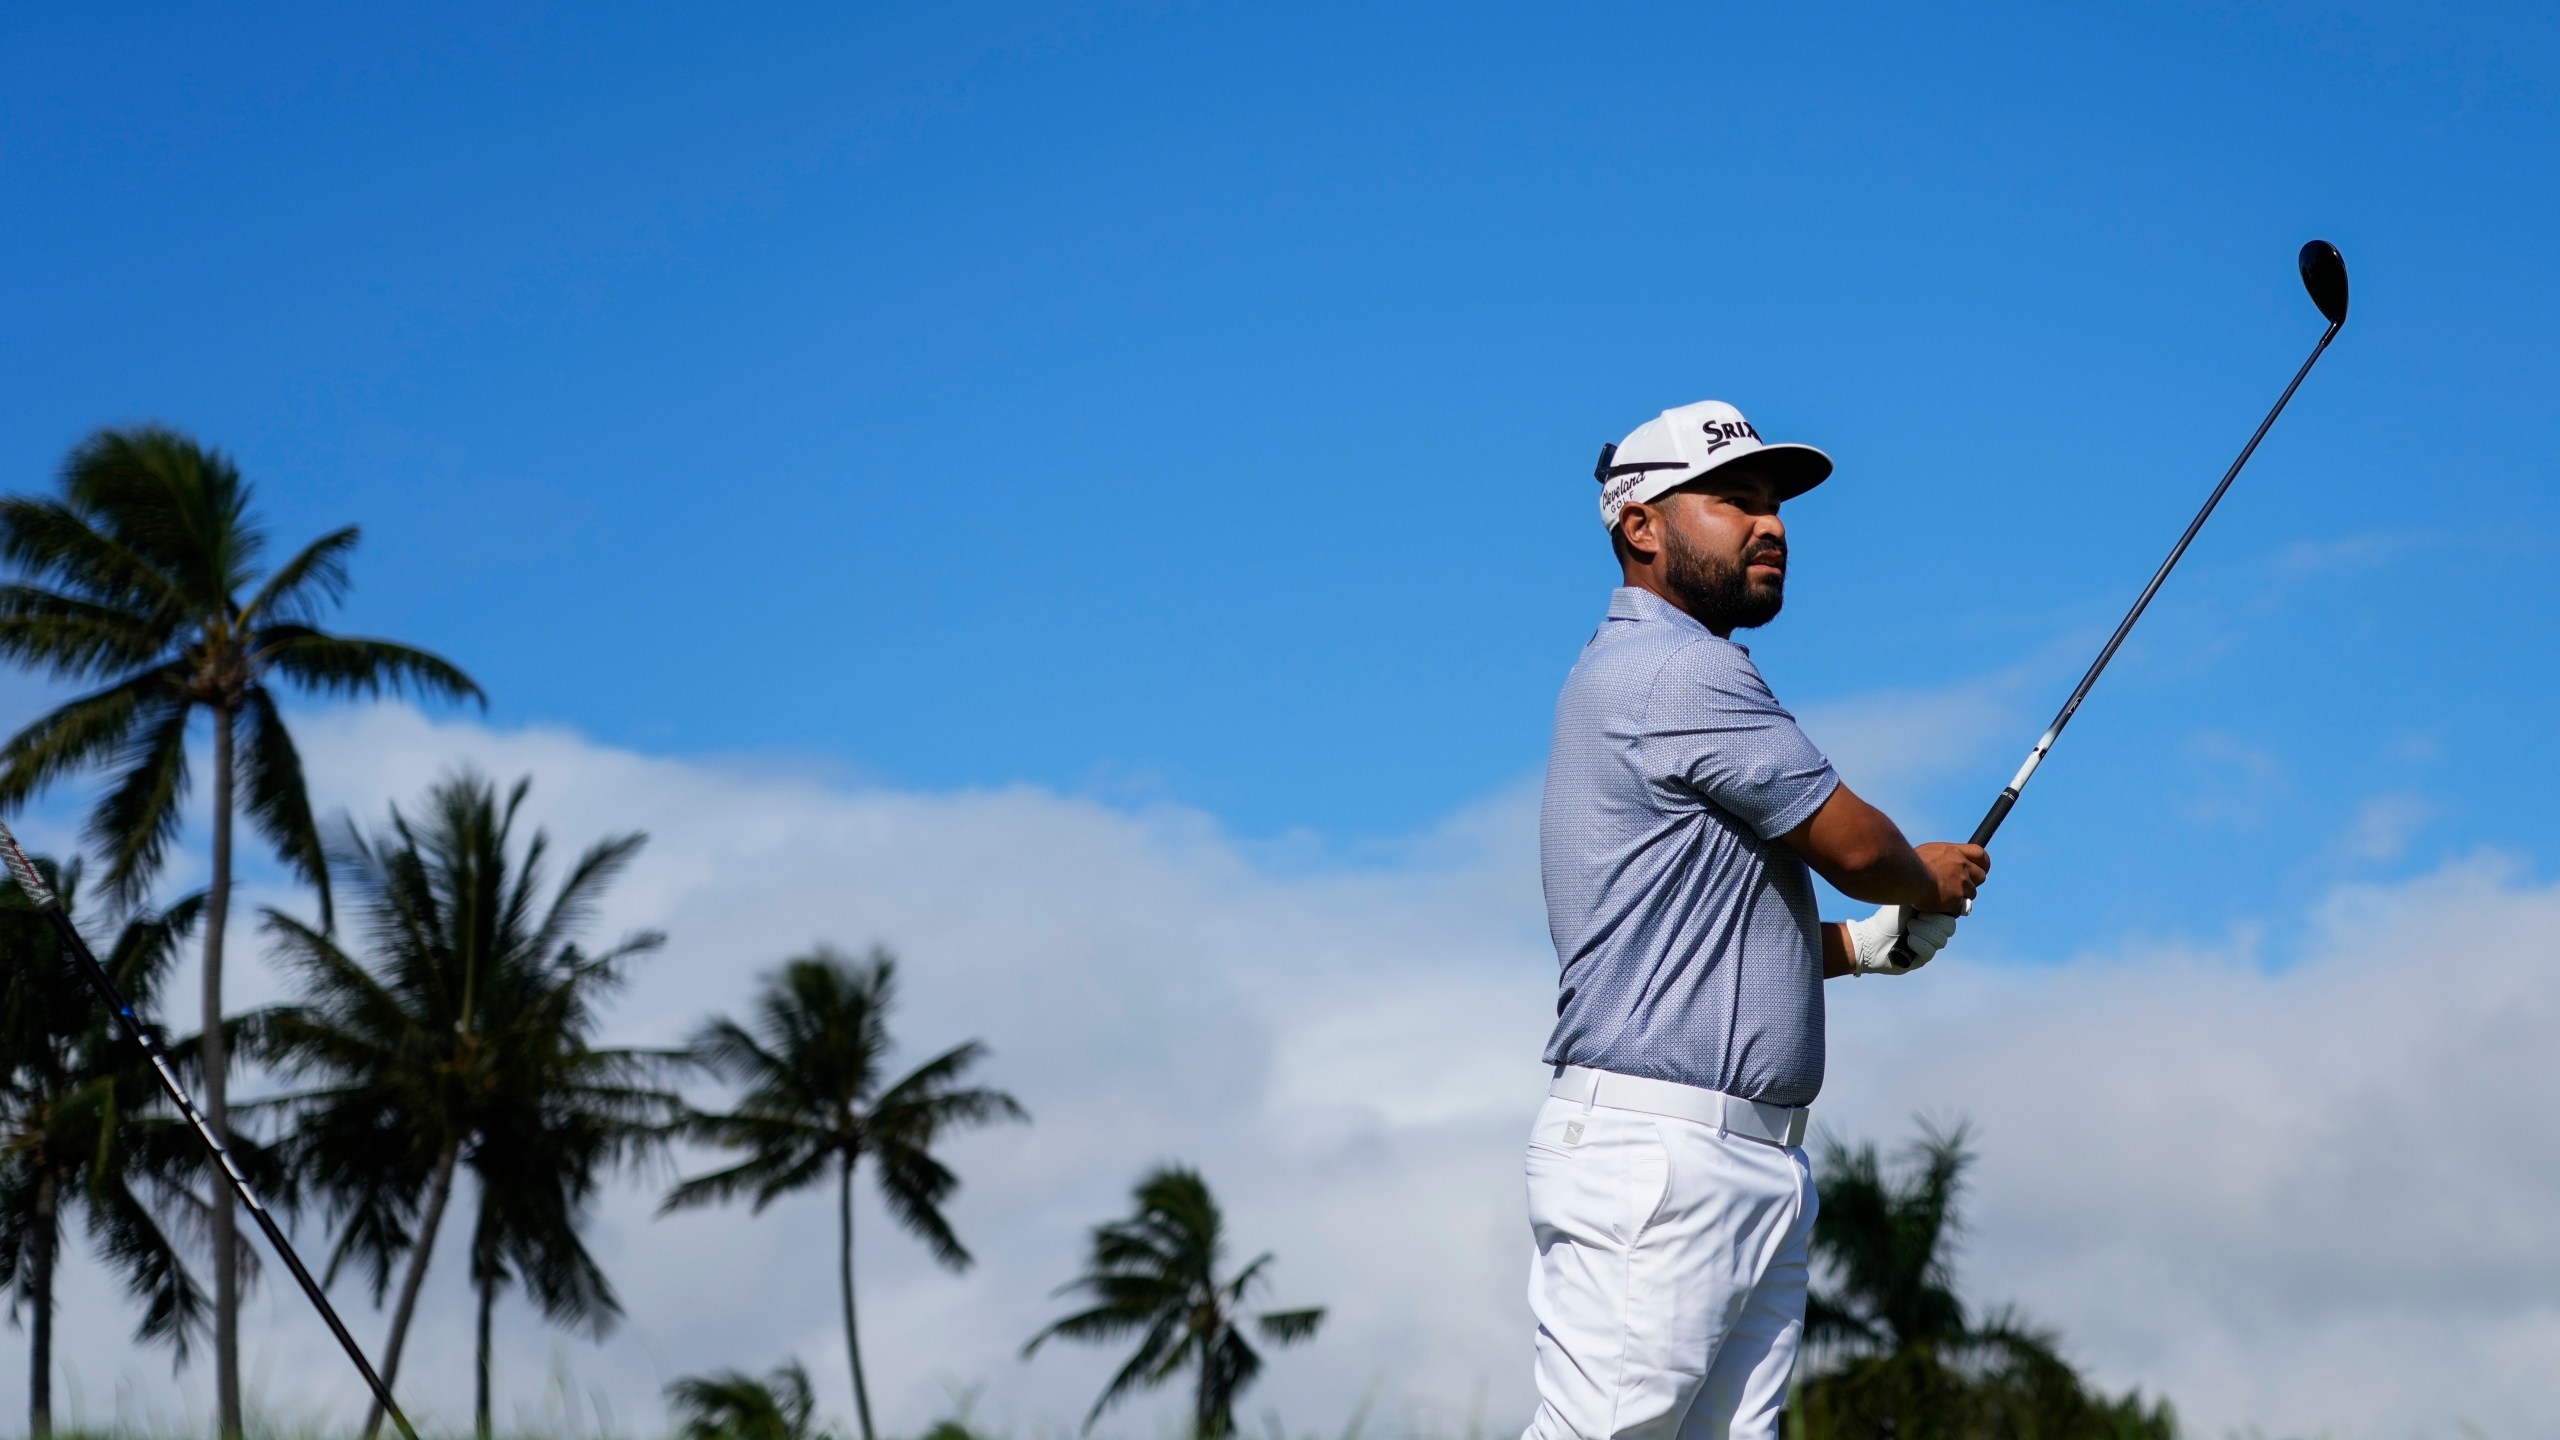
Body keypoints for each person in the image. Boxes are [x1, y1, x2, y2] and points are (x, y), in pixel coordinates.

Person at [1525, 399, 1989, 1440]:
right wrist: (1921, 881)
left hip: (1736, 1159)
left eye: (1774, 507)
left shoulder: (1640, 672)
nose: (1769, 525)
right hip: (1664, 1156)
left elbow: (1707, 941)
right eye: (1733, 501)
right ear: (1639, 524)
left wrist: (1862, 949)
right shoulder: (1683, 668)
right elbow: (1857, 849)